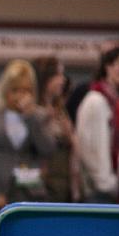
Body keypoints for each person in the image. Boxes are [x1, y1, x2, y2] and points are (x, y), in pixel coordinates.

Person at [0, 59, 56, 236]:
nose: (20, 96)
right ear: (5, 89)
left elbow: (48, 149)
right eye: (15, 90)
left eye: (26, 91)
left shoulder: (39, 116)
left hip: (28, 196)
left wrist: (31, 118)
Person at [32, 56, 80, 202]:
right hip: (41, 188)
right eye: (58, 75)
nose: (63, 80)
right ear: (45, 77)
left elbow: (73, 144)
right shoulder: (32, 113)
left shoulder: (60, 110)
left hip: (64, 185)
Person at [76, 46, 119, 202]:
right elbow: (93, 149)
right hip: (100, 189)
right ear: (108, 67)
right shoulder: (96, 101)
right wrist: (108, 183)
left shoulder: (114, 101)